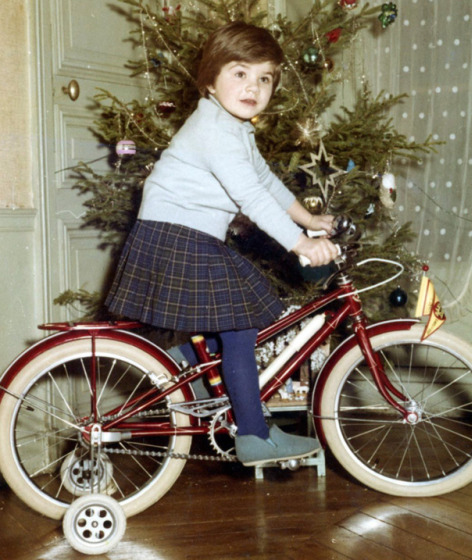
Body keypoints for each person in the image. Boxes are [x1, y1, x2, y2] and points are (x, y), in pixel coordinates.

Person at [105, 21, 339, 467]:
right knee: (240, 326)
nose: (253, 87)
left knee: (236, 324)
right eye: (239, 73)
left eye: (264, 78)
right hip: (175, 236)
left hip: (183, 234)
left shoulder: (234, 128)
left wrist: (308, 219)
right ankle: (253, 433)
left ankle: (176, 365)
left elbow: (265, 181)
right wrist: (300, 244)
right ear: (210, 80)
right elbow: (249, 196)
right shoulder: (213, 129)